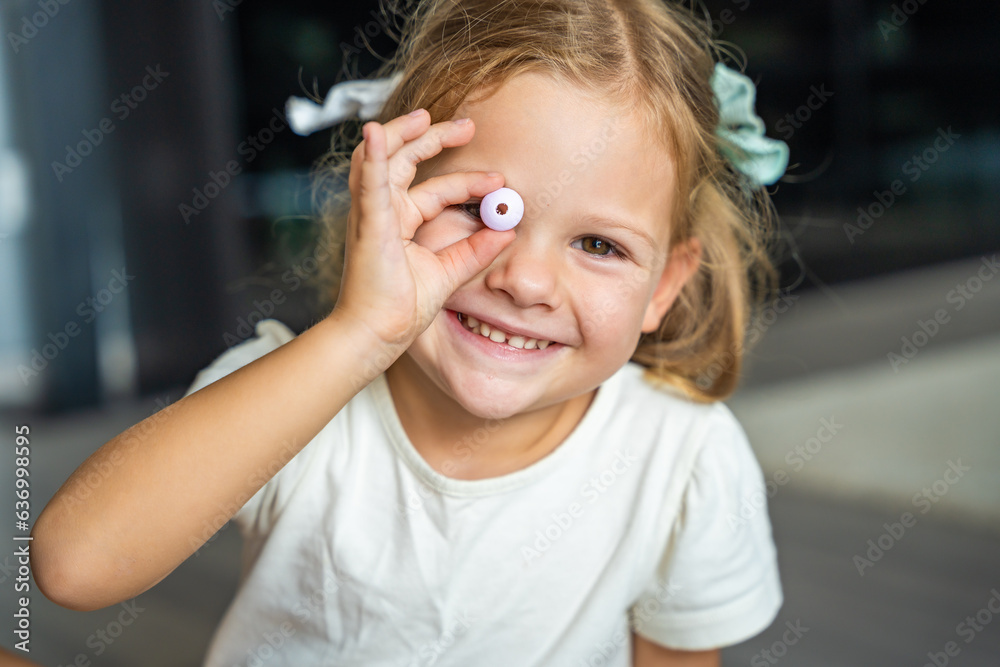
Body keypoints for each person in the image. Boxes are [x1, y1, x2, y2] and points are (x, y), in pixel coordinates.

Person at [31, 0, 790, 664]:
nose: (524, 280)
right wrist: (359, 336)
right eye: (484, 210)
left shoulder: (683, 457)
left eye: (599, 245)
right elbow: (73, 564)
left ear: (663, 284)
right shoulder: (299, 389)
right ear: (389, 201)